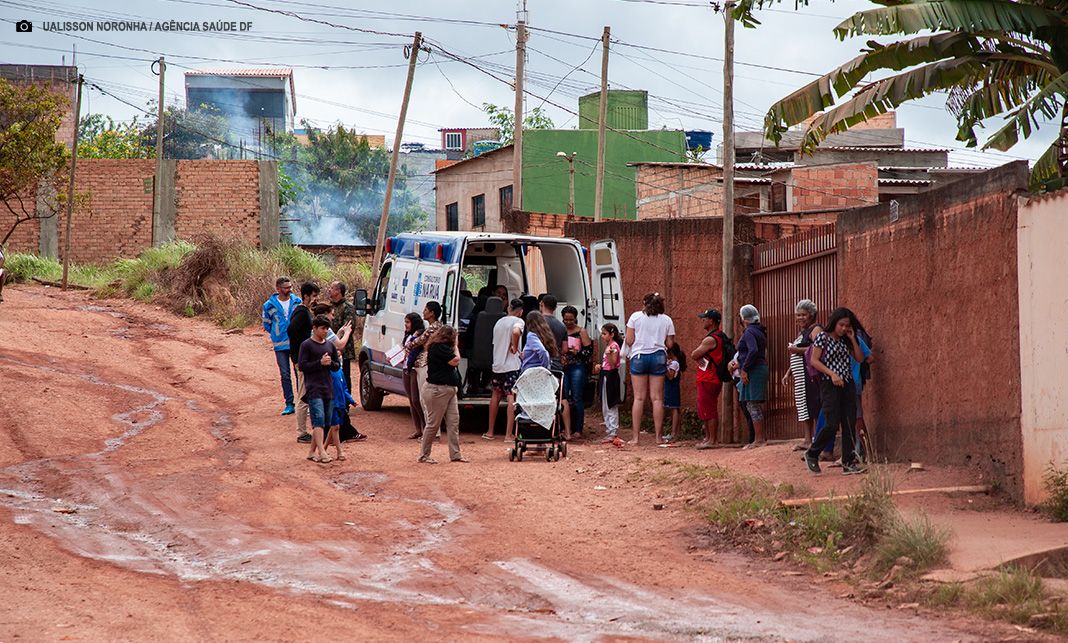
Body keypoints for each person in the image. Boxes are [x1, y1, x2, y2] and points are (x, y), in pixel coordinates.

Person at [805, 307, 867, 475]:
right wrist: (832, 374)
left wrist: (853, 339)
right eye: (841, 325)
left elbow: (860, 359)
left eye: (847, 326)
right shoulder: (822, 338)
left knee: (849, 423)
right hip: (829, 384)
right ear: (834, 323)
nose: (844, 328)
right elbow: (814, 361)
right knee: (831, 423)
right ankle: (813, 453)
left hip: (847, 384)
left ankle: (848, 462)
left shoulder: (846, 340)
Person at [625, 292, 676, 446]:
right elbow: (670, 345)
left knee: (639, 398)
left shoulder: (635, 317)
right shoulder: (667, 320)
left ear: (644, 303)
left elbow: (629, 340)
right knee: (657, 398)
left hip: (639, 356)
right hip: (658, 356)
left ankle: (635, 438)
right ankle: (658, 438)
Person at [419, 325, 468, 464]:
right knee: (433, 424)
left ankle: (455, 454)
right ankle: (424, 454)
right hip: (437, 390)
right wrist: (456, 346)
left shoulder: (441, 347)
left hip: (449, 390)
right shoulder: (439, 347)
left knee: (453, 422)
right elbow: (455, 360)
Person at [299, 315, 341, 464]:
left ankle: (311, 452)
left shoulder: (329, 345)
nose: (325, 331)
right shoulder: (306, 345)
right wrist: (319, 363)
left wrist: (329, 363)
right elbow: (302, 366)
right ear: (314, 328)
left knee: (325, 422)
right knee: (318, 421)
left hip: (328, 388)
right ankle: (322, 452)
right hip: (313, 388)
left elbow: (337, 365)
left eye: (327, 329)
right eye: (322, 328)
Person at [784, 299, 823, 450]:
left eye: (803, 315)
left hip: (811, 376)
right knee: (804, 407)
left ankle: (817, 440)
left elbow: (817, 348)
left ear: (812, 315)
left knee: (813, 407)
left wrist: (797, 350)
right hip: (802, 378)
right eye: (798, 315)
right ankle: (808, 439)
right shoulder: (804, 332)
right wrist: (789, 372)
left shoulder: (816, 330)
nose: (800, 318)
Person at [484, 299, 525, 441]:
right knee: (510, 397)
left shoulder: (499, 322)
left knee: (495, 395)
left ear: (508, 308)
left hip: (498, 364)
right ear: (521, 312)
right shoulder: (519, 321)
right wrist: (514, 346)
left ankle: (490, 431)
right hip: (512, 366)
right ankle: (508, 434)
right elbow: (516, 332)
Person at [262, 276, 301, 416]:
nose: (289, 290)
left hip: (297, 343)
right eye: (286, 287)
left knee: (299, 373)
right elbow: (266, 324)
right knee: (285, 374)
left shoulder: (297, 302)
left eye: (290, 287)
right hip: (280, 344)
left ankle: (303, 402)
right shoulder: (269, 305)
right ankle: (289, 403)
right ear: (278, 289)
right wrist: (276, 333)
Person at [731, 304, 769, 448]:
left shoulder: (749, 332)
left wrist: (744, 369)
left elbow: (752, 351)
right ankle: (759, 438)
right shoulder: (758, 331)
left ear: (744, 319)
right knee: (751, 403)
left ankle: (759, 439)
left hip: (754, 370)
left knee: (752, 403)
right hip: (757, 368)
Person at [287, 282, 319, 443]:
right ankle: (301, 432)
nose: (315, 299)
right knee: (303, 395)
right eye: (313, 296)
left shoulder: (303, 311)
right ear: (306, 296)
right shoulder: (301, 312)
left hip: (302, 358)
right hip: (302, 360)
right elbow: (291, 331)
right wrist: (299, 354)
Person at [690, 309, 726, 450]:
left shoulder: (710, 339)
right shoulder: (718, 336)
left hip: (709, 378)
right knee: (705, 408)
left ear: (711, 321)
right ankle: (708, 438)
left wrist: (698, 355)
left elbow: (694, 354)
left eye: (705, 318)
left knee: (709, 409)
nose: (703, 320)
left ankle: (712, 440)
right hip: (710, 377)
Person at [560, 305, 593, 440]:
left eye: (571, 320)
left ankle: (578, 429)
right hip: (563, 367)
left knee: (577, 397)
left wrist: (577, 352)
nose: (568, 322)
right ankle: (564, 428)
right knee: (563, 398)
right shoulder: (561, 330)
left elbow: (589, 352)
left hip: (576, 367)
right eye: (566, 320)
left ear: (576, 319)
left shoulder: (581, 331)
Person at [408, 301, 444, 427]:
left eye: (425, 310)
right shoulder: (434, 327)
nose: (423, 312)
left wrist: (410, 343)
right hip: (423, 364)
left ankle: (432, 431)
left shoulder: (434, 327)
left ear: (432, 313)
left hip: (425, 363)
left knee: (425, 399)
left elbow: (420, 341)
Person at [593, 323, 624, 443]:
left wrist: (610, 354)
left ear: (612, 334)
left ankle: (613, 431)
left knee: (610, 403)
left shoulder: (614, 346)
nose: (602, 336)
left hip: (610, 376)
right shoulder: (610, 346)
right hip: (605, 374)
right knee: (605, 404)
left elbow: (612, 365)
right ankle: (609, 429)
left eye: (604, 334)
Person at [327, 281, 358, 395]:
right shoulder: (329, 306)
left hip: (344, 347)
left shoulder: (348, 307)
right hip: (329, 345)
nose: (329, 290)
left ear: (338, 291)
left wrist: (337, 339)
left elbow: (349, 327)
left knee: (344, 375)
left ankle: (345, 404)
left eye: (332, 288)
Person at [402, 312, 427, 440]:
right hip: (406, 367)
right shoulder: (410, 335)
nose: (405, 325)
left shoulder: (419, 334)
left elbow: (414, 348)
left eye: (407, 322)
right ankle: (418, 429)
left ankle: (425, 427)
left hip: (413, 368)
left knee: (416, 399)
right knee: (411, 400)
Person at [663, 342, 687, 444]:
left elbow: (670, 376)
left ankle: (673, 433)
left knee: (674, 408)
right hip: (670, 388)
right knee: (673, 408)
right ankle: (676, 432)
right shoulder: (672, 362)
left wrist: (663, 366)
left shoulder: (674, 363)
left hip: (672, 388)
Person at [539, 294, 568, 364]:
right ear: (555, 307)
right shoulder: (562, 326)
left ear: (541, 303)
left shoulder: (537, 322)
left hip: (539, 362)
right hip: (555, 362)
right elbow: (565, 349)